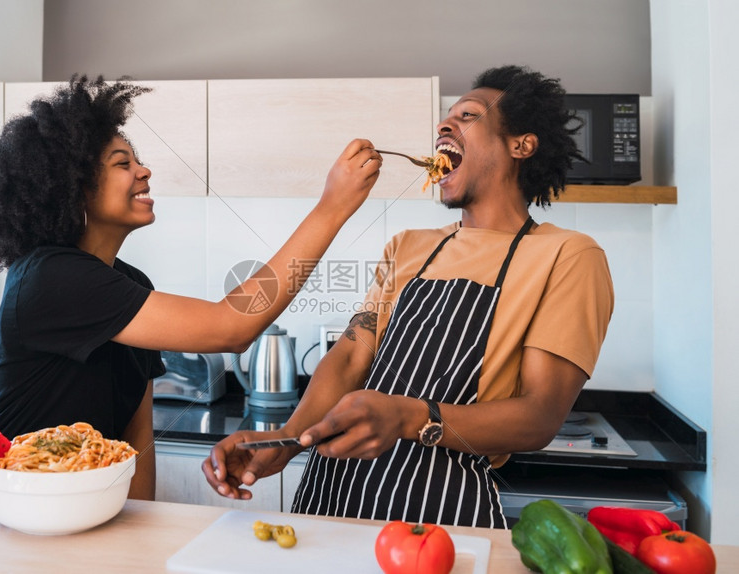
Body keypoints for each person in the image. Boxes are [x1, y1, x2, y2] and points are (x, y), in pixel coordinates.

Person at [202, 65, 614, 528]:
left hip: (442, 511)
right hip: (333, 493)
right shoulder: (409, 245)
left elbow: (540, 416)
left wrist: (408, 417)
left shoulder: (567, 255)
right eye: (445, 118)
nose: (444, 124)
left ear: (521, 144)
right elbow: (350, 356)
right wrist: (289, 437)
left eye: (468, 115)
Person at [0, 75, 381, 500]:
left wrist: (145, 540)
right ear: (76, 188)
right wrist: (332, 207)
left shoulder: (130, 284)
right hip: (3, 501)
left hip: (77, 506)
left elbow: (136, 440)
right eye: (123, 163)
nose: (145, 171)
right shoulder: (51, 276)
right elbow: (230, 328)